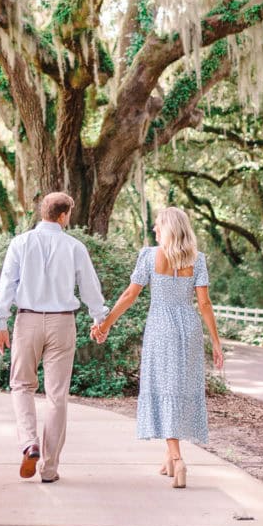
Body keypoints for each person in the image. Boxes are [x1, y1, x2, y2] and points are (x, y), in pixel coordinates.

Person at [91, 205, 223, 488]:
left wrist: (107, 323)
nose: (154, 230)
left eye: (158, 226)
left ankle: (177, 460)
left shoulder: (150, 256)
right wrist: (215, 341)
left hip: (161, 328)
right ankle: (168, 459)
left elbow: (130, 294)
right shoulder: (197, 260)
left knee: (165, 388)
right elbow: (204, 304)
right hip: (188, 328)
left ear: (167, 229)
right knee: (177, 388)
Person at [0, 191, 108, 483]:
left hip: (27, 320)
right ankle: (50, 468)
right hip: (62, 324)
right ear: (64, 215)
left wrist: (1, 322)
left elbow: (8, 283)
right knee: (56, 396)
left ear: (43, 212)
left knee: (21, 385)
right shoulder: (75, 247)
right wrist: (98, 319)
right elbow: (90, 287)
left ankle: (29, 442)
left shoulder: (20, 243)